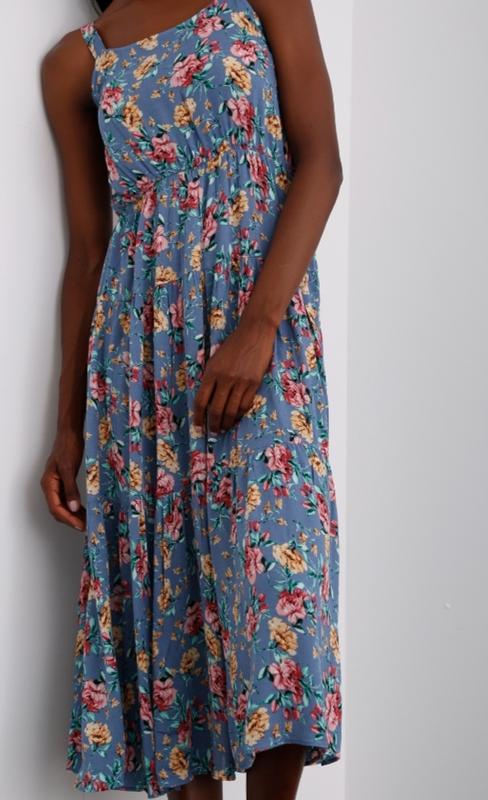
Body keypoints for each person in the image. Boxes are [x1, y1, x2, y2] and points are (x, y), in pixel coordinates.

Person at [40, 1, 344, 798]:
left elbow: (322, 161)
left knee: (284, 591)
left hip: (259, 331)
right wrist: (67, 429)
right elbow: (89, 252)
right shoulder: (77, 62)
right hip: (139, 362)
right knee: (169, 617)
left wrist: (261, 324)